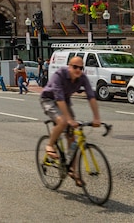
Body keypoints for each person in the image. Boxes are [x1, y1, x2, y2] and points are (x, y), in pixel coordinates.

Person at [39, 55, 101, 185]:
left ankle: (73, 170)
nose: (78, 70)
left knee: (71, 137)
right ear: (69, 66)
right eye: (75, 67)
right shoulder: (59, 74)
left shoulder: (82, 78)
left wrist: (96, 118)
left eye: (80, 67)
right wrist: (69, 120)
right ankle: (50, 144)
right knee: (62, 122)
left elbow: (91, 97)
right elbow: (59, 98)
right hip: (49, 99)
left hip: (65, 101)